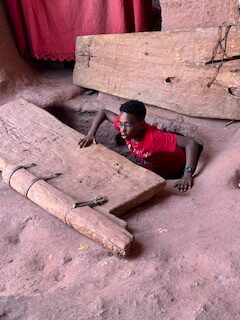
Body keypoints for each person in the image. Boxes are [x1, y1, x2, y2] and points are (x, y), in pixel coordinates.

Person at [79, 100, 203, 192]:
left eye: (127, 125)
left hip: (176, 169)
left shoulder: (155, 138)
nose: (122, 129)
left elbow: (190, 143)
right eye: (121, 124)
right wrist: (90, 134)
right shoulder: (124, 127)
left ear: (141, 124)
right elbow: (104, 112)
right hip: (155, 170)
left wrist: (187, 174)